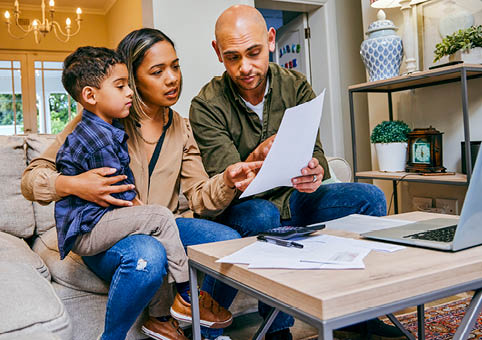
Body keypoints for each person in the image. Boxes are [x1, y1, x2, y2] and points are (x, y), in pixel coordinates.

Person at [21, 29, 262, 340]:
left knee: (227, 241)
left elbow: (201, 199)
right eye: (157, 71)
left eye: (175, 66)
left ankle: (200, 323)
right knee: (147, 253)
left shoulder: (182, 129)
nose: (172, 78)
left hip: (163, 222)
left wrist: (228, 181)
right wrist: (73, 184)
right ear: (132, 79)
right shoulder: (102, 118)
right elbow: (31, 179)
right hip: (108, 231)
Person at [189, 5, 404, 340]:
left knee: (369, 197)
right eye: (232, 57)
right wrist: (256, 156)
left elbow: (315, 154)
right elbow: (228, 181)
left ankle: (358, 315)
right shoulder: (206, 105)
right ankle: (277, 331)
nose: (245, 67)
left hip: (296, 199)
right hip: (248, 208)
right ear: (218, 53)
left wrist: (315, 171)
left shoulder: (296, 85)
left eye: (254, 52)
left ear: (271, 40)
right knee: (262, 213)